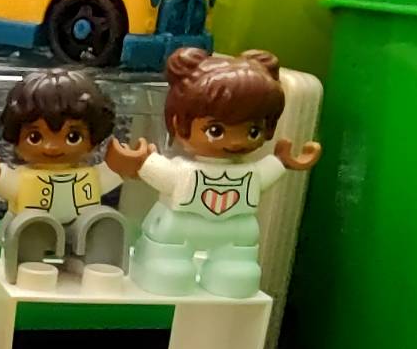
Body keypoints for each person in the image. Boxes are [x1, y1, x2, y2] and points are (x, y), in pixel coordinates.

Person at [107, 48, 321, 299]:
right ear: (178, 122)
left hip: (234, 233)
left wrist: (283, 161)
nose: (236, 141)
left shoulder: (249, 174)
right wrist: (140, 162)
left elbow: (265, 174)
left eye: (253, 130)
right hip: (178, 230)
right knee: (168, 268)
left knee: (236, 270)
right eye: (216, 130)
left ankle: (230, 267)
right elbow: (162, 173)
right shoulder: (184, 173)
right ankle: (161, 262)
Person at [0, 67, 123, 282]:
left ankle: (90, 263)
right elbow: (8, 184)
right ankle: (26, 265)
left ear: (94, 138)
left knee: (101, 221)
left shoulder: (91, 176)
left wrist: (121, 167)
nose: (52, 147)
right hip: (33, 230)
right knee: (30, 227)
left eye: (73, 136)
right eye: (35, 137)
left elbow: (110, 176)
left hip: (80, 227)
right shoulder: (25, 179)